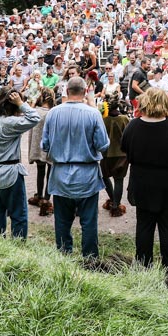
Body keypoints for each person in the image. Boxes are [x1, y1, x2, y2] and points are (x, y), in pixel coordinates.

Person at [120, 88, 168, 283]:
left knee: (144, 225)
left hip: (143, 182)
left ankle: (143, 265)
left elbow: (125, 148)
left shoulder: (133, 127)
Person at [40, 76, 110, 259]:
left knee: (62, 222)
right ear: (85, 92)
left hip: (61, 174)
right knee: (88, 222)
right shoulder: (93, 114)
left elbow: (45, 145)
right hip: (86, 175)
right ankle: (90, 259)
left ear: (67, 91)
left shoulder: (53, 113)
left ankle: (64, 257)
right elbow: (103, 145)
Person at [0, 87, 41, 238]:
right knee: (18, 214)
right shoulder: (10, 122)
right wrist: (21, 103)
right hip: (8, 173)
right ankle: (18, 247)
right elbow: (34, 117)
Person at [26, 89, 55, 217]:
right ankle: (46, 198)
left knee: (40, 172)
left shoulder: (35, 112)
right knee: (50, 173)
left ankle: (39, 194)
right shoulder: (53, 114)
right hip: (49, 148)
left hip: (38, 148)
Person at [100, 99, 129, 217]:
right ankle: (116, 205)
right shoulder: (124, 119)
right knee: (119, 180)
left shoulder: (103, 120)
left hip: (106, 154)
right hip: (121, 155)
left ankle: (112, 199)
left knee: (105, 177)